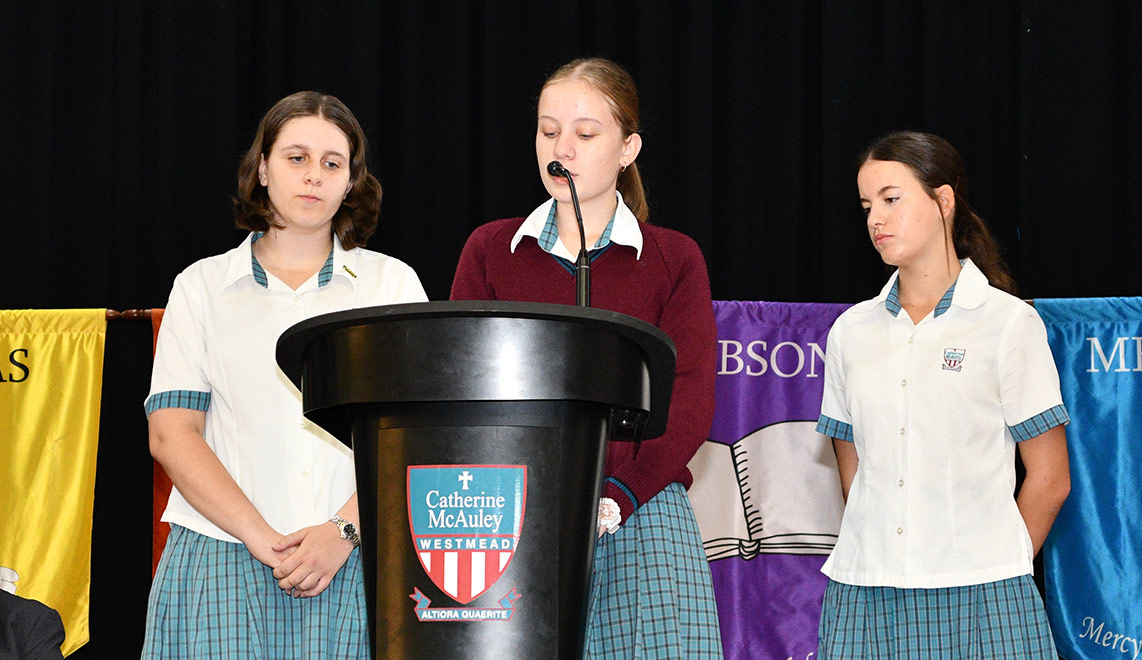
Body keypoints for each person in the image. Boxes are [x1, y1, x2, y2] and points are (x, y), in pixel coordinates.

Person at [450, 57, 723, 659]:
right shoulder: (492, 249)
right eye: (549, 131)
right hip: (511, 517)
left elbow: (692, 398)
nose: (561, 148)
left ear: (628, 148)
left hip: (639, 507)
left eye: (585, 132)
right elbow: (457, 389)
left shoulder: (674, 258)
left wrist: (620, 494)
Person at [142, 91, 427, 658]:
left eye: (332, 163)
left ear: (350, 182)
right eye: (296, 157)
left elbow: (420, 432)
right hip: (220, 558)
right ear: (263, 168)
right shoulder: (199, 287)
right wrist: (263, 540)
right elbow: (172, 435)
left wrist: (343, 532)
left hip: (358, 558)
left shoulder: (393, 287)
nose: (313, 176)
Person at [815, 131, 1071, 659]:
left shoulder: (1008, 323)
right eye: (866, 206)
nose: (874, 220)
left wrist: (998, 564)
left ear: (944, 200)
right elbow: (852, 466)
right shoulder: (849, 331)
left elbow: (1049, 479)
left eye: (891, 199)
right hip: (866, 592)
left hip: (985, 593)